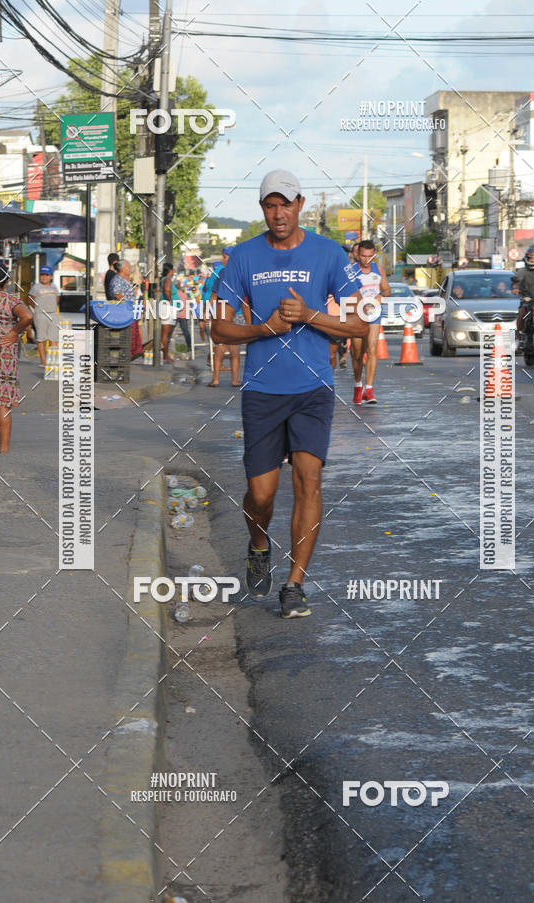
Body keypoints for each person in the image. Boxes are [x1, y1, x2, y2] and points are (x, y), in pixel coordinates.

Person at [212, 169, 366, 618]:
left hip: (313, 388)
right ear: (262, 209)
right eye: (270, 205)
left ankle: (295, 584)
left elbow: (360, 324)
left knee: (308, 481)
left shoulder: (329, 253)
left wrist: (310, 315)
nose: (279, 213)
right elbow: (218, 327)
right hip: (262, 389)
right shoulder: (242, 257)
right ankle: (259, 543)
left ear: (300, 204)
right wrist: (264, 329)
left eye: (286, 204)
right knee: (261, 495)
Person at [0, 262, 32, 453]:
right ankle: (4, 449)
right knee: (3, 403)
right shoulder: (10, 300)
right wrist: (14, 332)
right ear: (6, 281)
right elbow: (27, 316)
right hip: (4, 357)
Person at [349, 240, 390, 404]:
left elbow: (387, 290)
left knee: (372, 349)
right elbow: (342, 293)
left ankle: (369, 390)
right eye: (363, 256)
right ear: (358, 255)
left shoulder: (378, 269)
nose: (367, 260)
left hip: (374, 314)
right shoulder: (350, 271)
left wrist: (381, 295)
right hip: (355, 315)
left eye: (370, 256)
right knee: (357, 353)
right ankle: (358, 385)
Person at [208, 247, 242, 387]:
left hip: (225, 313)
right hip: (236, 313)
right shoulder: (241, 271)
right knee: (233, 348)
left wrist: (209, 312)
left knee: (221, 347)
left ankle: (216, 379)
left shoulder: (223, 272)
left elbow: (214, 295)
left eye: (225, 257)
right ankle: (234, 379)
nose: (223, 260)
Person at [110, 259, 143, 359]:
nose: (130, 269)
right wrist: (126, 304)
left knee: (133, 335)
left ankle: (131, 354)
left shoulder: (123, 279)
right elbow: (116, 293)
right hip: (123, 312)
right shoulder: (117, 279)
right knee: (129, 335)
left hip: (129, 311)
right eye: (129, 267)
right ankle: (127, 355)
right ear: (123, 269)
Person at [28, 265, 59, 367]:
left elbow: (57, 299)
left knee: (53, 338)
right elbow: (30, 300)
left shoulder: (54, 286)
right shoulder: (36, 287)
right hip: (40, 315)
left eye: (47, 275)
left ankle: (53, 361)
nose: (44, 277)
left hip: (53, 314)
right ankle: (43, 361)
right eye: (42, 275)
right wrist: (39, 308)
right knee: (41, 338)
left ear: (51, 276)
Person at [160, 262, 180, 363]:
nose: (174, 271)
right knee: (166, 334)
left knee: (166, 334)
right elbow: (167, 290)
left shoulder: (165, 279)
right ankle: (165, 357)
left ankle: (165, 355)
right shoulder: (167, 279)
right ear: (170, 270)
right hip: (168, 308)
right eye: (173, 269)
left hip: (168, 307)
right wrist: (170, 301)